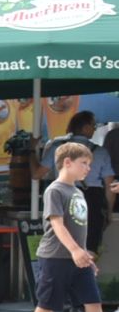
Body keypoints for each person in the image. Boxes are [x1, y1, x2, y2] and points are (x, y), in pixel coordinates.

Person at [27, 141, 119, 312]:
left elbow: (78, 227)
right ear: (67, 162)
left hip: (77, 258)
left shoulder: (77, 191)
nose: (88, 168)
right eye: (84, 163)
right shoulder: (55, 190)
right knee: (46, 304)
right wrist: (75, 250)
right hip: (55, 257)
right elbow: (57, 225)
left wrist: (83, 253)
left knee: (93, 302)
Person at [37, 111, 116, 259]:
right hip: (92, 198)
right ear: (85, 128)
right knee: (90, 245)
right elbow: (110, 184)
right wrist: (109, 212)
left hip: (63, 195)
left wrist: (30, 152)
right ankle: (86, 270)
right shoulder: (100, 152)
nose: (94, 129)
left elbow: (37, 174)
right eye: (93, 126)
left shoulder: (57, 147)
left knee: (62, 241)